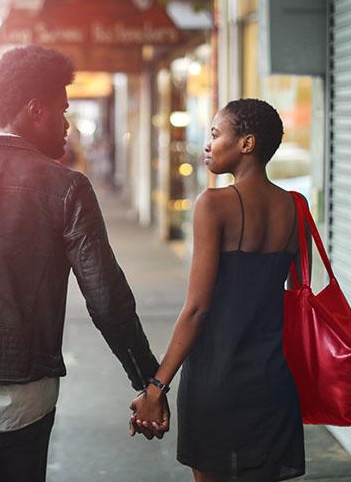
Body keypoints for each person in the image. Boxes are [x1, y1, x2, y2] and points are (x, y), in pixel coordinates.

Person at [0, 45, 164, 482]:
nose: (67, 124)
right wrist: (147, 379)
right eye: (62, 110)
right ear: (36, 109)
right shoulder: (67, 187)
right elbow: (106, 298)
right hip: (25, 390)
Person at [130, 98, 307, 482]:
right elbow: (294, 294)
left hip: (218, 376)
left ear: (246, 143)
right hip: (274, 377)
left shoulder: (213, 204)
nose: (207, 145)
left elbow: (197, 309)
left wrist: (157, 387)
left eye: (215, 134)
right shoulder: (296, 207)